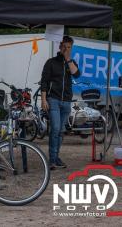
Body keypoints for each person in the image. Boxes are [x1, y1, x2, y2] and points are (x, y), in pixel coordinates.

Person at [41, 36, 81, 170]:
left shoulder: (71, 62)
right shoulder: (51, 62)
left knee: (61, 131)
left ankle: (56, 157)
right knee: (56, 129)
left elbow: (76, 74)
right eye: (65, 46)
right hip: (54, 99)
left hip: (66, 101)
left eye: (69, 47)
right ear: (60, 46)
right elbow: (44, 81)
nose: (66, 49)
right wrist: (43, 99)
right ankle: (52, 159)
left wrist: (68, 59)